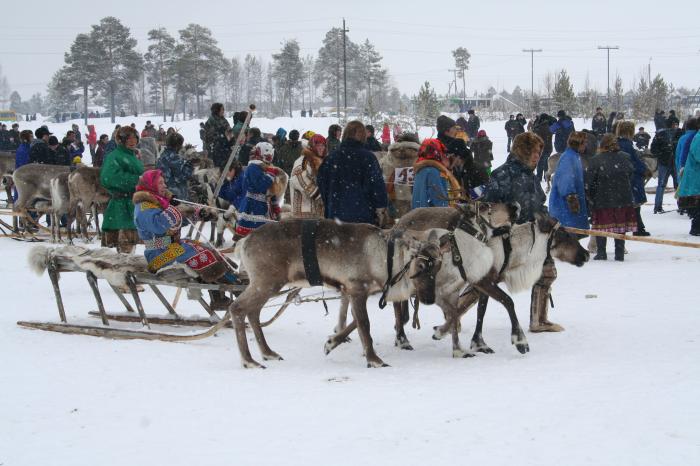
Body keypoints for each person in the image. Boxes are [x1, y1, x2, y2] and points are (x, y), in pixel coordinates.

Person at [482, 132, 563, 332]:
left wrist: (547, 221)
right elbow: (489, 206)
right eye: (533, 152)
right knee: (484, 282)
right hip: (507, 241)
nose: (537, 156)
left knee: (547, 272)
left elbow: (538, 203)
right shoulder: (502, 174)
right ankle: (455, 315)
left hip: (533, 238)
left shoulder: (531, 176)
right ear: (522, 152)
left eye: (539, 152)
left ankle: (539, 319)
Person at [132, 169, 232, 309]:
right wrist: (175, 208)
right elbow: (160, 225)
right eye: (160, 183)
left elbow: (179, 221)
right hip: (158, 255)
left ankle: (221, 292)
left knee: (210, 250)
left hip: (171, 248)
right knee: (204, 256)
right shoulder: (144, 208)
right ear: (151, 185)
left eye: (164, 182)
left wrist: (199, 214)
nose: (165, 186)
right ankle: (224, 293)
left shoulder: (159, 203)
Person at [317, 120, 390, 226]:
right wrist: (381, 208)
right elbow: (378, 186)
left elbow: (322, 184)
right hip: (362, 217)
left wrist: (330, 203)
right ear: (363, 136)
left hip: (335, 216)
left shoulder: (331, 158)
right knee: (360, 242)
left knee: (338, 242)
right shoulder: (368, 158)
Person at [586, 134, 637, 261]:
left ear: (602, 145)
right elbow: (630, 175)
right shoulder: (625, 157)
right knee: (620, 227)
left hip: (603, 198)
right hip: (623, 198)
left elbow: (590, 182)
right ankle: (619, 252)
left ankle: (601, 252)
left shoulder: (595, 160)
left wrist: (591, 197)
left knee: (601, 226)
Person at [100, 126, 145, 253]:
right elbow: (108, 178)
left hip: (133, 204)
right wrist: (136, 180)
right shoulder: (115, 156)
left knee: (132, 245)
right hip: (121, 206)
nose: (133, 141)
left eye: (135, 137)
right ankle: (125, 270)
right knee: (125, 246)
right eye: (128, 138)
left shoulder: (132, 155)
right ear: (121, 140)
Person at [235, 142, 285, 238]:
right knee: (254, 236)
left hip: (263, 207)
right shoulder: (253, 168)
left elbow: (271, 190)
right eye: (267, 156)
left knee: (264, 236)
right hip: (253, 206)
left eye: (270, 157)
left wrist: (275, 206)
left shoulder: (266, 169)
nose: (269, 159)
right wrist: (270, 175)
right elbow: (260, 186)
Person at [548, 131, 589, 230]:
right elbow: (565, 181)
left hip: (568, 209)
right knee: (567, 239)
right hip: (565, 209)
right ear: (579, 143)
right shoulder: (568, 158)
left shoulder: (574, 156)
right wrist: (572, 199)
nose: (586, 145)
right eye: (585, 143)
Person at [616, 121, 650, 236]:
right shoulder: (626, 144)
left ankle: (638, 227)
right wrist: (643, 169)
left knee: (633, 206)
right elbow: (632, 162)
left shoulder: (620, 143)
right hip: (632, 178)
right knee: (634, 205)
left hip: (627, 178)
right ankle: (637, 228)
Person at [411, 138, 461, 209]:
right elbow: (439, 201)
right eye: (443, 153)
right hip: (432, 217)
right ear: (437, 153)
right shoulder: (432, 172)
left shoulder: (421, 170)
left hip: (419, 215)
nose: (445, 156)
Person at [290, 134, 327, 218]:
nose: (321, 148)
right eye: (318, 145)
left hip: (317, 214)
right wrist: (324, 196)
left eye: (323, 145)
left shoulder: (321, 162)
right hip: (304, 213)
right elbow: (301, 181)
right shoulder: (302, 162)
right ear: (311, 146)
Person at [436, 115, 474, 194]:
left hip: (441, 191)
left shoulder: (434, 145)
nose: (456, 130)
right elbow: (469, 170)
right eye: (454, 128)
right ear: (446, 131)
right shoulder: (457, 144)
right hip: (454, 190)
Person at [156, 132, 193, 202]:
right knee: (179, 212)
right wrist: (190, 164)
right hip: (177, 195)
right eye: (181, 144)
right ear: (177, 145)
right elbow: (181, 177)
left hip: (165, 193)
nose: (181, 147)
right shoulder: (175, 158)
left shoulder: (162, 156)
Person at [678, 132, 700, 235]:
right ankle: (696, 228)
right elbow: (698, 156)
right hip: (695, 176)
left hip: (696, 176)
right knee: (697, 204)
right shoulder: (698, 137)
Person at [650, 127, 675, 213]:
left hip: (664, 162)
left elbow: (653, 150)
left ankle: (657, 206)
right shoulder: (665, 135)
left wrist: (661, 155)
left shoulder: (659, 136)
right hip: (669, 162)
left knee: (661, 185)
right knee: (665, 185)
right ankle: (682, 205)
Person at [204, 102, 232, 169]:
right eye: (222, 109)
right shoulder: (211, 121)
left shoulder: (223, 119)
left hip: (226, 147)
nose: (223, 111)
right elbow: (208, 137)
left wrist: (230, 137)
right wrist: (222, 135)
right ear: (217, 110)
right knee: (219, 168)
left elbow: (229, 130)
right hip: (216, 149)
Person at [532, 113, 557, 182]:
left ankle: (539, 177)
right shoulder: (549, 127)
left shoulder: (539, 127)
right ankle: (546, 176)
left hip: (541, 148)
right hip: (548, 148)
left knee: (540, 162)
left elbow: (535, 135)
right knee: (545, 161)